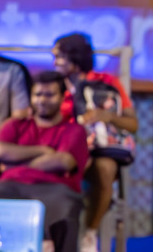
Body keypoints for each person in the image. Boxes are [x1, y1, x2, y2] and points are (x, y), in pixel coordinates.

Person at [0, 72, 89, 252]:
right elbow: (0, 151)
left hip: (55, 190)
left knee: (66, 205)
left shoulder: (74, 130)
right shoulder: (15, 125)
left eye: (49, 95)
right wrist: (42, 151)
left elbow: (63, 161)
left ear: (62, 97)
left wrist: (15, 164)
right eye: (38, 94)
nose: (42, 100)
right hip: (9, 187)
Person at [53, 33, 136, 252]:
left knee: (106, 169)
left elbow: (132, 124)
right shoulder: (53, 87)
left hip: (99, 149)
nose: (55, 62)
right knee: (66, 165)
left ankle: (90, 234)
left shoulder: (107, 82)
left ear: (76, 57)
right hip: (65, 148)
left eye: (59, 56)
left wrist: (107, 116)